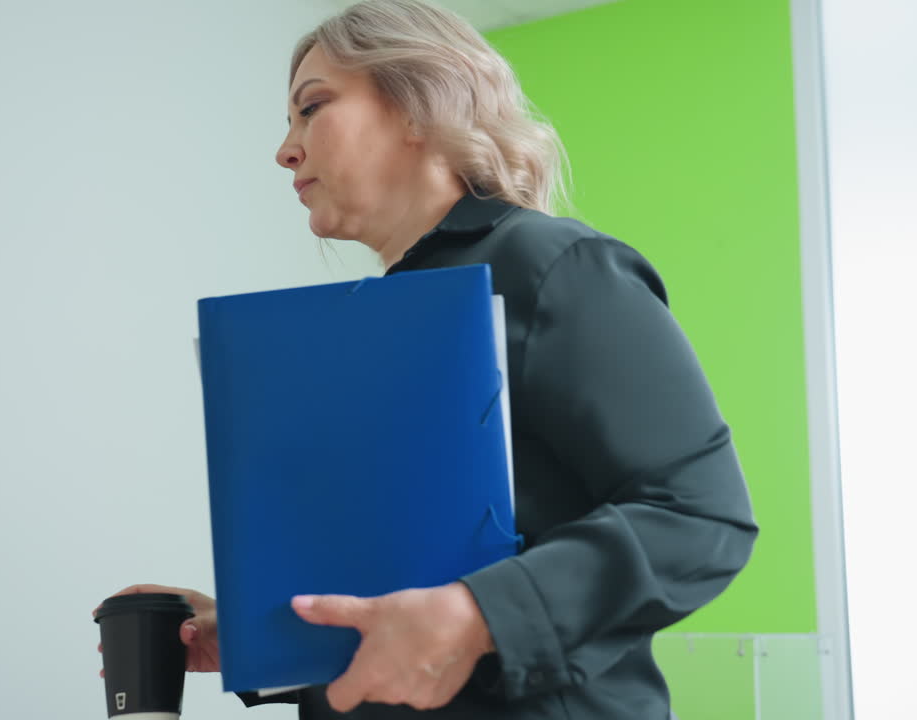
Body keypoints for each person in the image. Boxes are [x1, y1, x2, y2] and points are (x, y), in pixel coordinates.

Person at [96, 1, 757, 717]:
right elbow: (400, 583)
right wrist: (259, 633)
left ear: (419, 107)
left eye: (310, 108)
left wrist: (475, 615)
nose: (285, 150)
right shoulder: (378, 319)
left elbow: (700, 517)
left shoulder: (552, 265)